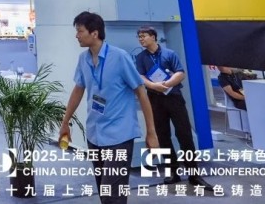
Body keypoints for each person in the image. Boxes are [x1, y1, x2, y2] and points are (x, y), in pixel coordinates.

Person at [59, 12, 158, 204]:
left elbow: (141, 93)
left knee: (113, 196)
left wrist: (151, 133)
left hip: (119, 135)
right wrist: (65, 122)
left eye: (80, 31)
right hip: (95, 134)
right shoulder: (83, 59)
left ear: (94, 33)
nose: (77, 36)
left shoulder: (119, 57)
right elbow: (78, 90)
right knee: (105, 192)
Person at [135, 27, 210, 187]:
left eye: (143, 36)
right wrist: (154, 86)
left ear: (153, 37)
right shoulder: (140, 57)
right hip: (155, 99)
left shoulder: (169, 54)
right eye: (139, 37)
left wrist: (167, 84)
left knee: (185, 135)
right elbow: (140, 77)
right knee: (163, 136)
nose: (141, 39)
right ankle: (173, 172)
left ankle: (194, 175)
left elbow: (180, 73)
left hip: (174, 97)